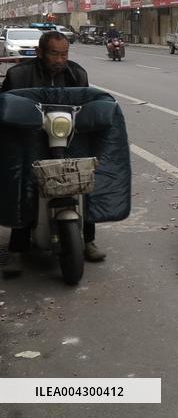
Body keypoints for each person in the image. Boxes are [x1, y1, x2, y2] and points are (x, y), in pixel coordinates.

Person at [1, 31, 105, 277]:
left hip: (68, 138)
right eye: (54, 54)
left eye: (64, 54)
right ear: (40, 52)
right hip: (30, 141)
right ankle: (17, 249)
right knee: (23, 186)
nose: (60, 60)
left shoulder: (77, 73)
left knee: (85, 182)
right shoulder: (19, 75)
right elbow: (6, 110)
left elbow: (86, 109)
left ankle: (88, 239)